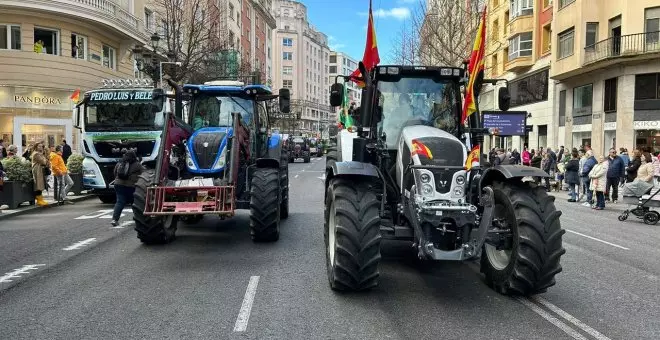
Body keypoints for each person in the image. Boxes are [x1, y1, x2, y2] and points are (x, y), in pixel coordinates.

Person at [111, 150, 144, 226]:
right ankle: (138, 218)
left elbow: (115, 173)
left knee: (120, 202)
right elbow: (143, 174)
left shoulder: (120, 163)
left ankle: (114, 219)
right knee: (135, 202)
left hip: (118, 185)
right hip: (131, 186)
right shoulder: (137, 165)